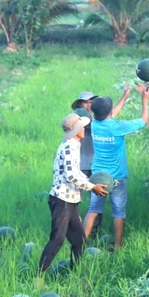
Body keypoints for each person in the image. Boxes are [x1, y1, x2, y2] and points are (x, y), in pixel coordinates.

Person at [83, 84, 149, 249]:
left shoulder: (94, 124)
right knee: (119, 212)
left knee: (93, 210)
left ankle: (81, 244)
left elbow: (110, 114)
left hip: (98, 176)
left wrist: (125, 96)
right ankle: (118, 246)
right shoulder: (117, 127)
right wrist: (145, 100)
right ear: (109, 113)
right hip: (117, 178)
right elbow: (144, 121)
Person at [39, 113, 109, 273]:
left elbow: (76, 172)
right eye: (82, 127)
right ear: (76, 130)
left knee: (79, 241)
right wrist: (91, 187)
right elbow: (71, 175)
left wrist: (91, 183)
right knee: (57, 239)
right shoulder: (69, 146)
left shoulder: (74, 144)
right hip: (62, 200)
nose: (84, 129)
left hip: (70, 201)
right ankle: (38, 277)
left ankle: (74, 274)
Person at [71, 92, 96, 176]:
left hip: (94, 160)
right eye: (85, 102)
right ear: (80, 104)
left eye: (91, 102)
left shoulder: (95, 118)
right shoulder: (76, 117)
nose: (88, 105)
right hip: (81, 161)